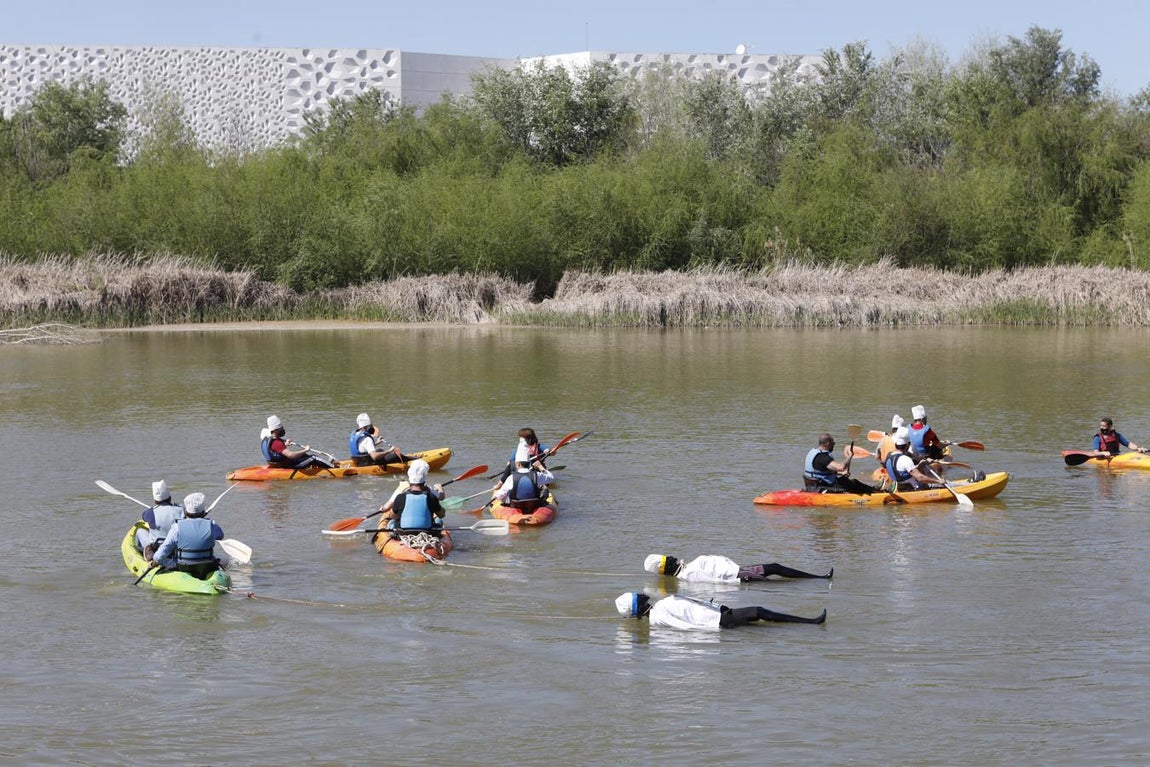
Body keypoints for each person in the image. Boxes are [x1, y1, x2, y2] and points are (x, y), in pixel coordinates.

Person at [615, 592, 827, 630]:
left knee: (760, 617)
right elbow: (690, 619)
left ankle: (807, 623)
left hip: (719, 618)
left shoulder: (657, 617)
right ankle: (809, 623)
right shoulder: (662, 610)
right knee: (760, 614)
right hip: (719, 621)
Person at [149, 493, 225, 579]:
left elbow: (164, 550)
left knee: (162, 558)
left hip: (184, 567)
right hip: (207, 565)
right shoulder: (212, 525)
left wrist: (153, 563)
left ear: (185, 511)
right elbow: (220, 536)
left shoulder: (177, 527)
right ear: (203, 511)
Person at [644, 554, 832, 582]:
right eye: (669, 559)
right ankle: (818, 578)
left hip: (739, 571)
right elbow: (714, 581)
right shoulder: (688, 574)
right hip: (740, 575)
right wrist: (744, 579)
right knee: (774, 571)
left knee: (774, 568)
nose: (673, 558)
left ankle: (817, 578)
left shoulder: (686, 569)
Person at [379, 459, 446, 532]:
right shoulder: (431, 497)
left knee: (391, 522)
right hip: (427, 531)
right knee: (439, 520)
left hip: (404, 532)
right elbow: (441, 515)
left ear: (410, 482)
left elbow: (393, 516)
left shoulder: (400, 497)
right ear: (424, 482)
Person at [493, 439, 555, 512]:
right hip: (534, 505)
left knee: (505, 494)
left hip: (516, 506)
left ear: (518, 464)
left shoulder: (511, 478)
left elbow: (500, 496)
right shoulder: (537, 475)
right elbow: (551, 478)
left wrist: (495, 498)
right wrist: (540, 467)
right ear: (529, 463)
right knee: (544, 489)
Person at [804, 433, 876, 494]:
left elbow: (823, 470)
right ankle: (875, 492)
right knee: (854, 482)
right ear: (828, 443)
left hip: (812, 486)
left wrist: (841, 474)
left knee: (844, 479)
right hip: (824, 487)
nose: (834, 445)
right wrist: (850, 456)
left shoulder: (813, 452)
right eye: (833, 443)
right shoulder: (822, 457)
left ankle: (873, 489)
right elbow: (841, 468)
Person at [261, 415, 335, 470]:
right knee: (313, 457)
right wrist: (305, 450)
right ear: (275, 430)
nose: (282, 429)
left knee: (303, 456)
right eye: (280, 428)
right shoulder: (277, 443)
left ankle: (319, 466)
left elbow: (277, 450)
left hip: (278, 464)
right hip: (289, 465)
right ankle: (334, 468)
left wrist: (285, 444)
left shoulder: (270, 439)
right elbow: (291, 455)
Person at [134, 480, 184, 560]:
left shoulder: (150, 512)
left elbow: (144, 517)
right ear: (170, 498)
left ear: (155, 501)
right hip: (176, 548)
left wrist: (153, 509)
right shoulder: (181, 510)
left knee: (140, 531)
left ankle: (144, 554)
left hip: (157, 548)